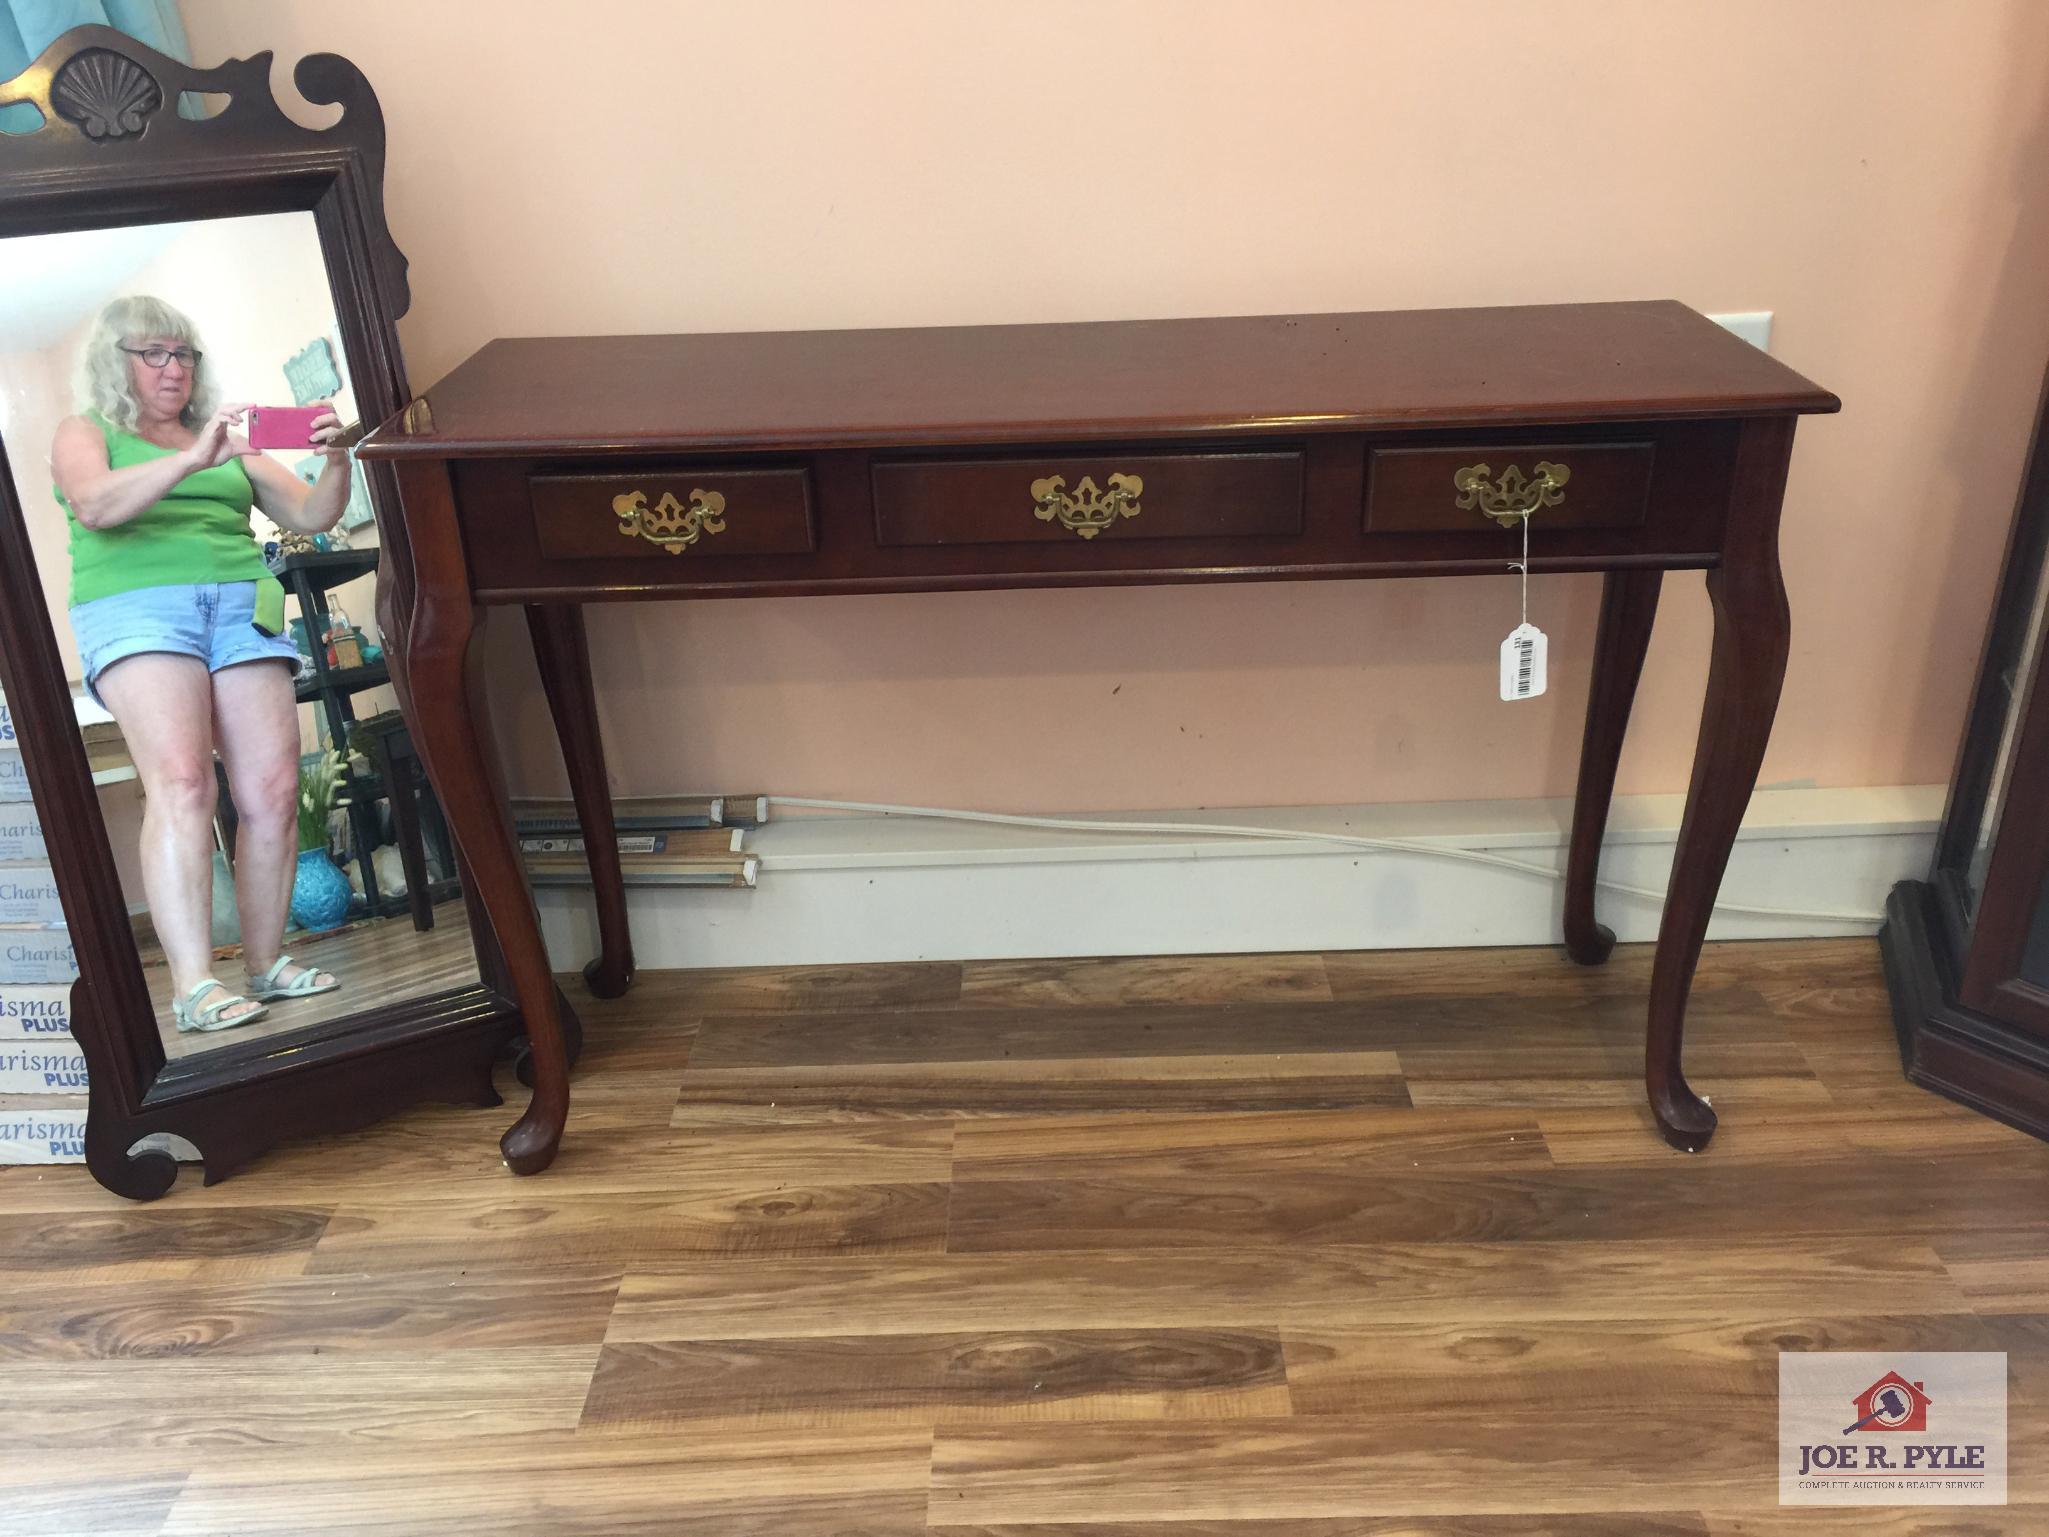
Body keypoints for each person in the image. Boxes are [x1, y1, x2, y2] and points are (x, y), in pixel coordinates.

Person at [51, 294, 353, 1034]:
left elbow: (312, 515)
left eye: (183, 354)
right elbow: (92, 504)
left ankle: (265, 963)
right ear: (115, 363)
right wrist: (192, 458)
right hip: (136, 605)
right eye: (152, 353)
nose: (172, 367)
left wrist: (338, 455)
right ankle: (192, 985)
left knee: (274, 788)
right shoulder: (85, 431)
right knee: (184, 781)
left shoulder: (231, 440)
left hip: (241, 602)